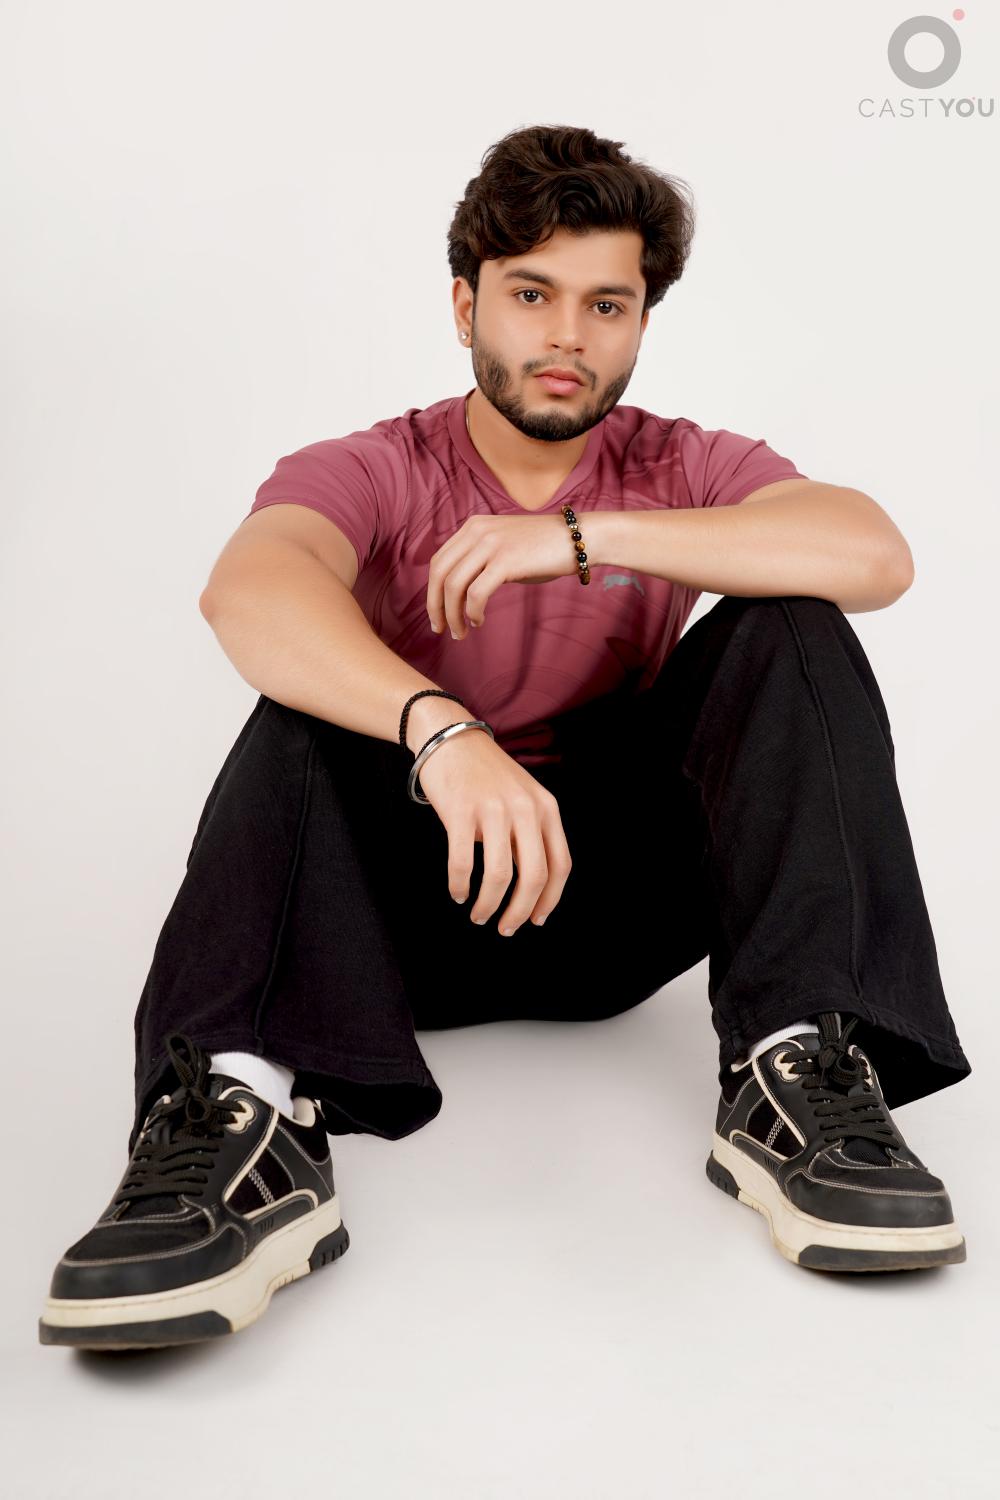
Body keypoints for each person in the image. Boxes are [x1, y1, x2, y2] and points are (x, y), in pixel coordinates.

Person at [39, 123, 971, 1351]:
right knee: (301, 705)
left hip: (619, 904)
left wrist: (584, 536)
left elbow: (873, 555)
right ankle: (241, 1116)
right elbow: (247, 592)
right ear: (465, 304)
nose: (567, 336)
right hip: (400, 922)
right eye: (532, 295)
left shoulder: (681, 462)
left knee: (791, 624)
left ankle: (794, 1068)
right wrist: (441, 731)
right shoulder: (376, 466)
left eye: (606, 304)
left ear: (640, 325)